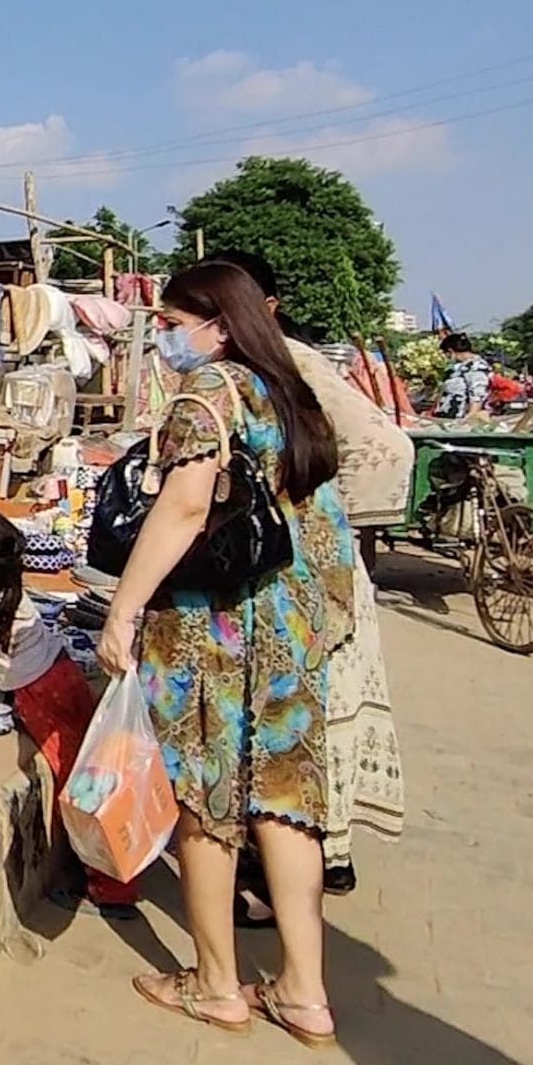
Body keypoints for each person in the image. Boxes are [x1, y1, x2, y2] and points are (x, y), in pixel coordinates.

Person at [99, 260, 354, 1047]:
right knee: (284, 798)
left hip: (214, 625)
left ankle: (215, 983)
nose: (165, 339)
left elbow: (183, 505)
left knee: (206, 800)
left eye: (173, 325)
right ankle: (305, 992)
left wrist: (123, 605)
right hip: (288, 624)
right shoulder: (288, 392)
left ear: (217, 324)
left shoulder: (209, 393)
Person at [203, 251, 405, 901]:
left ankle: (280, 884)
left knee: (289, 739)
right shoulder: (259, 370)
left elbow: (386, 447)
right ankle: (311, 871)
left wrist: (313, 526)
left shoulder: (290, 363)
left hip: (303, 585)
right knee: (295, 737)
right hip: (305, 581)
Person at [0, 506, 142, 918]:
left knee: (78, 783)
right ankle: (108, 866)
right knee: (92, 768)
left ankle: (108, 889)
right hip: (63, 672)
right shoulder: (7, 572)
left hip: (38, 692)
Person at [433, 333, 491, 419]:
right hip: (448, 417)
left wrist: (470, 417)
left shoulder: (476, 367)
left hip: (461, 419)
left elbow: (477, 395)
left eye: (445, 354)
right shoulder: (458, 368)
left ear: (451, 351)